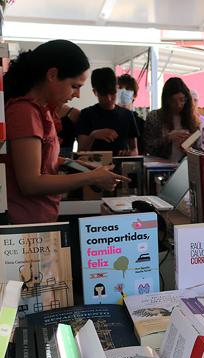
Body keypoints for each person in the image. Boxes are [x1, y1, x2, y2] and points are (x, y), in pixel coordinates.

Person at [1, 39, 128, 224]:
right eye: (75, 86)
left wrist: (74, 164)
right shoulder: (24, 112)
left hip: (37, 219)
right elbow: (30, 183)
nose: (76, 95)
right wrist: (90, 177)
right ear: (52, 75)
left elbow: (41, 160)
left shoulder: (40, 110)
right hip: (25, 224)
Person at [76, 67, 139, 156]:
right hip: (94, 168)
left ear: (117, 88)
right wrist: (93, 136)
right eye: (104, 94)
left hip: (120, 167)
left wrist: (130, 154)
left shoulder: (127, 115)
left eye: (112, 92)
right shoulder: (86, 114)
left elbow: (135, 149)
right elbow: (80, 152)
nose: (109, 99)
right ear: (95, 92)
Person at [144, 77, 200, 161]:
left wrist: (189, 149)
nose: (178, 105)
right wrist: (168, 138)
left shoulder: (193, 120)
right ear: (166, 100)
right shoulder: (154, 117)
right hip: (160, 168)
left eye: (182, 100)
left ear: (187, 99)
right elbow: (148, 147)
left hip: (185, 167)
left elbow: (202, 151)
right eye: (173, 101)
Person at [117, 73, 146, 154]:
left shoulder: (141, 124)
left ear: (135, 95)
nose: (123, 91)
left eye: (127, 89)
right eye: (120, 88)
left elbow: (143, 150)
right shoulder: (110, 119)